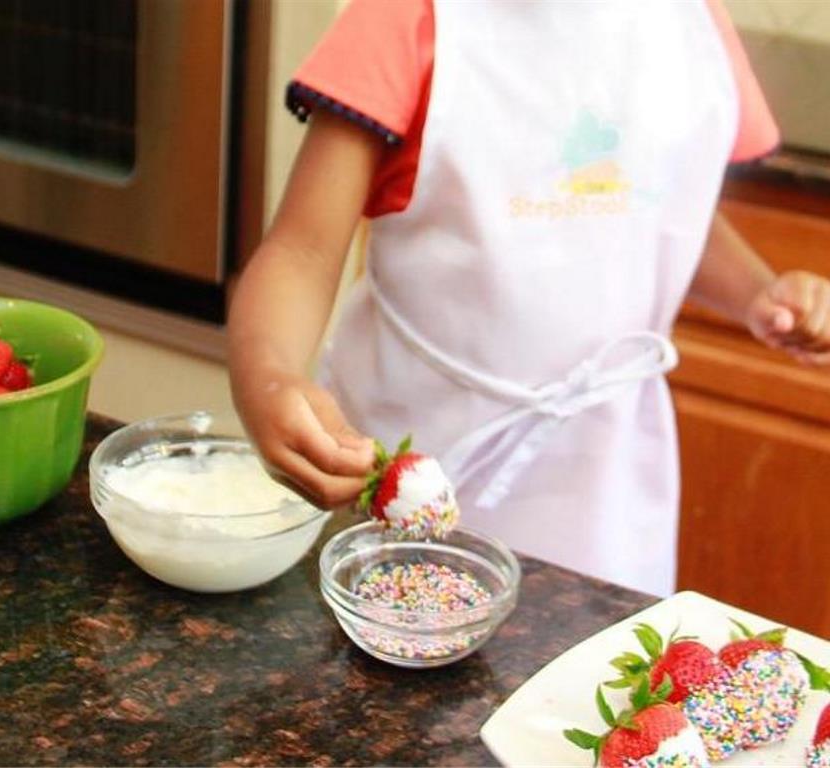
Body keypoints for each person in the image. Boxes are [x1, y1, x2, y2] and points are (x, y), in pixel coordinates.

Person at [227, 0, 830, 595]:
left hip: (608, 477)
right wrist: (269, 376)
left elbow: (656, 210)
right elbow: (302, 252)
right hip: (413, 453)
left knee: (589, 673)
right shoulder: (406, 17)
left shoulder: (694, 26)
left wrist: (760, 292)